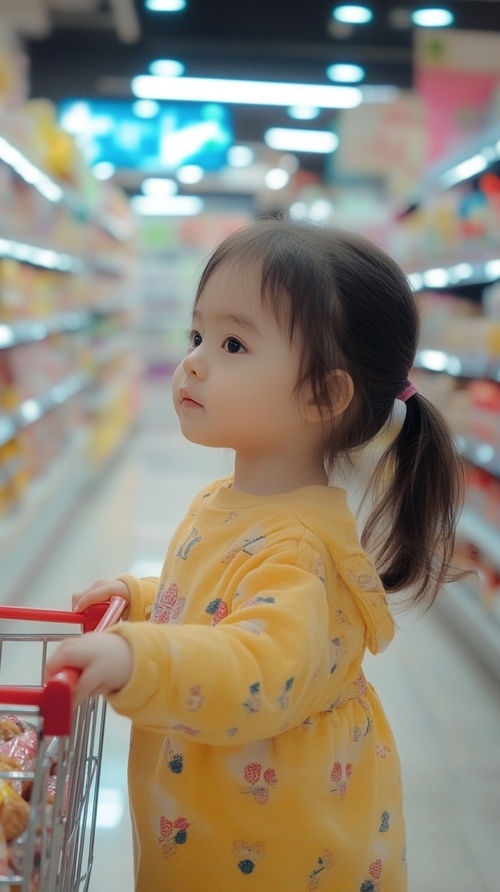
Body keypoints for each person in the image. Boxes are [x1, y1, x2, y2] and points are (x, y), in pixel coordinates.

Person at [46, 217, 465, 891]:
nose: (195, 360)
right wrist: (144, 598)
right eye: (197, 334)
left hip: (277, 858)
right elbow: (219, 603)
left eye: (234, 343)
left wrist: (137, 658)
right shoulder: (226, 500)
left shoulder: (299, 550)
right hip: (215, 829)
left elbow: (255, 670)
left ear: (323, 395)